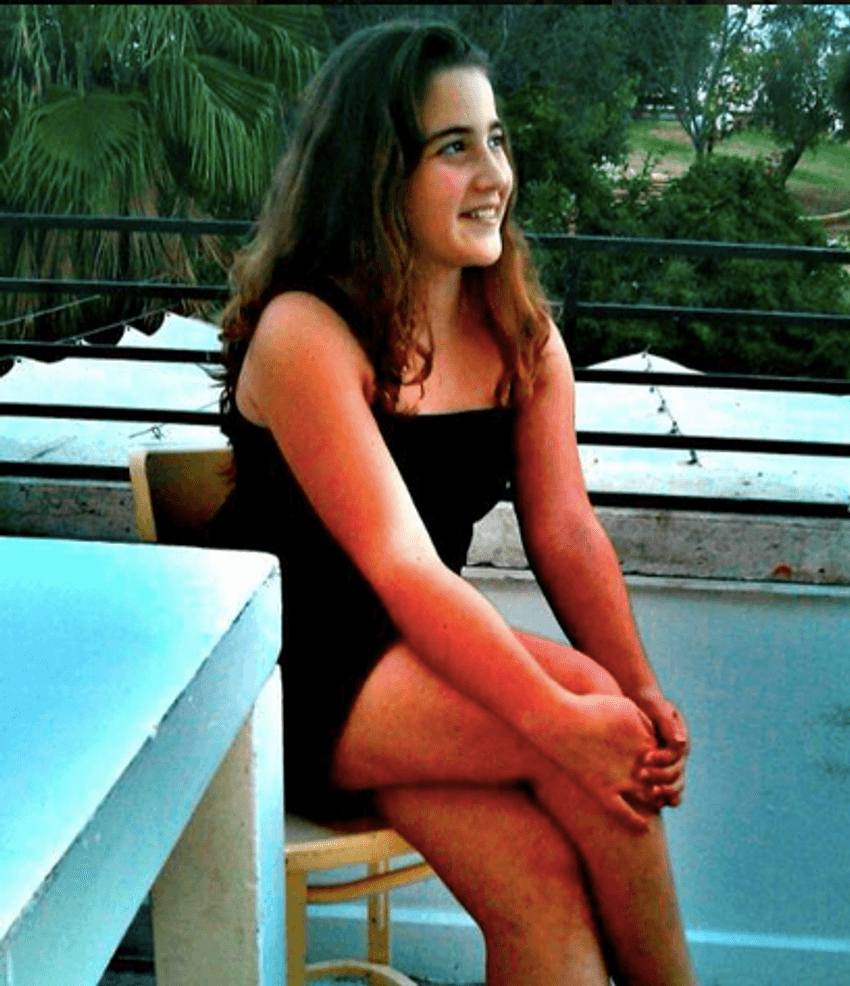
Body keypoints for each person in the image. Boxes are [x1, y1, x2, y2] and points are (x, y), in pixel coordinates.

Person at [213, 20, 697, 986]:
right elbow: (400, 565)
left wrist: (639, 686)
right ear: (373, 172)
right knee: (586, 722)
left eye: (497, 140)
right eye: (453, 147)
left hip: (421, 652)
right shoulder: (308, 329)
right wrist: (566, 719)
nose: (494, 175)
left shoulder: (520, 334)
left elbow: (565, 532)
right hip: (289, 668)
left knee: (542, 883)